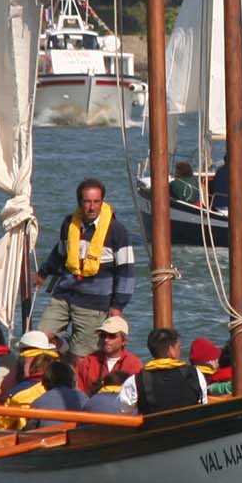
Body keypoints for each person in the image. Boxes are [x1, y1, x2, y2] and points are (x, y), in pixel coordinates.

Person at [35, 178, 134, 363]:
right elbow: (60, 252)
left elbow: (126, 272)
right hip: (64, 295)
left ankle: (76, 386)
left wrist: (118, 306)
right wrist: (43, 273)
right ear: (80, 202)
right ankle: (56, 361)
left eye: (96, 202)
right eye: (87, 201)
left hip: (94, 304)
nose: (92, 207)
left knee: (82, 358)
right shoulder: (69, 224)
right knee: (39, 340)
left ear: (102, 202)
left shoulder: (116, 231)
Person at [119, 327, 209, 414]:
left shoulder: (135, 381)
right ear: (171, 350)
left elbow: (124, 413)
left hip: (155, 428)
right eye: (178, 347)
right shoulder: (195, 374)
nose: (180, 351)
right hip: (190, 427)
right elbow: (203, 404)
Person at [73, 316, 143, 393]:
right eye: (103, 335)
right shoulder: (87, 363)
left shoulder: (134, 365)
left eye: (112, 336)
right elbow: (79, 394)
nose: (106, 340)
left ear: (124, 341)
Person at [27, 360, 90, 426]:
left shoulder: (39, 402)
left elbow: (30, 431)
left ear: (46, 381)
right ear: (72, 380)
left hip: (49, 435)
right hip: (77, 435)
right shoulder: (84, 398)